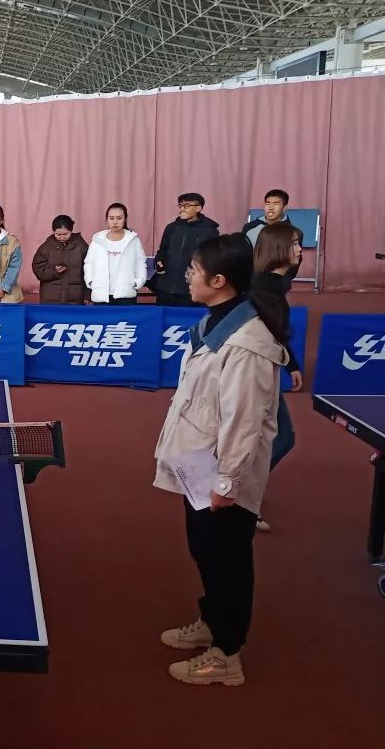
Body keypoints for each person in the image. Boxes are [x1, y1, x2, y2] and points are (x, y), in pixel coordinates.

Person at [154, 234, 289, 686]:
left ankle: (226, 656)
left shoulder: (247, 343)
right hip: (200, 466)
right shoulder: (215, 324)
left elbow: (243, 422)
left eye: (194, 270)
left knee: (227, 561)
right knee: (205, 551)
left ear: (219, 280)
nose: (187, 276)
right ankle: (212, 623)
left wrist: (227, 482)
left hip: (222, 475)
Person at [251, 222, 305, 533]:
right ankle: (243, 496)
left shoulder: (275, 284)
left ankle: (242, 492)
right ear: (278, 248)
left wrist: (292, 365)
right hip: (255, 376)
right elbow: (270, 334)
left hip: (265, 372)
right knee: (281, 437)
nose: (300, 250)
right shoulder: (263, 288)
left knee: (272, 438)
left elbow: (277, 334)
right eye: (295, 243)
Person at [152, 193, 220, 306]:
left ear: (198, 208)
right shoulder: (172, 227)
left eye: (186, 206)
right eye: (180, 206)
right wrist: (159, 260)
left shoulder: (210, 231)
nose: (182, 209)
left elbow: (211, 259)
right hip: (165, 287)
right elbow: (162, 250)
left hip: (191, 289)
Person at [83, 203, 147, 305]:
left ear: (125, 219)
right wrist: (91, 281)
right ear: (107, 219)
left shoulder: (133, 240)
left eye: (119, 218)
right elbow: (89, 263)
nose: (115, 222)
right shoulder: (97, 240)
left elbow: (140, 262)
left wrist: (138, 282)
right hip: (101, 295)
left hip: (126, 294)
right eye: (111, 218)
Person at [243, 189, 303, 282]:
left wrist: (282, 280)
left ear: (284, 207)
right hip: (252, 278)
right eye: (267, 203)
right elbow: (243, 254)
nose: (270, 208)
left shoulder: (292, 232)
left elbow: (295, 261)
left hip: (279, 280)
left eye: (276, 204)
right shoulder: (249, 228)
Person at [31, 215, 88, 305]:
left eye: (65, 234)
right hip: (51, 297)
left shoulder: (81, 246)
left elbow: (90, 271)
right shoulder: (46, 247)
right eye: (58, 235)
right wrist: (54, 271)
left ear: (71, 231)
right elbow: (37, 268)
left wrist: (87, 294)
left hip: (75, 297)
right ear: (54, 232)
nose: (62, 237)